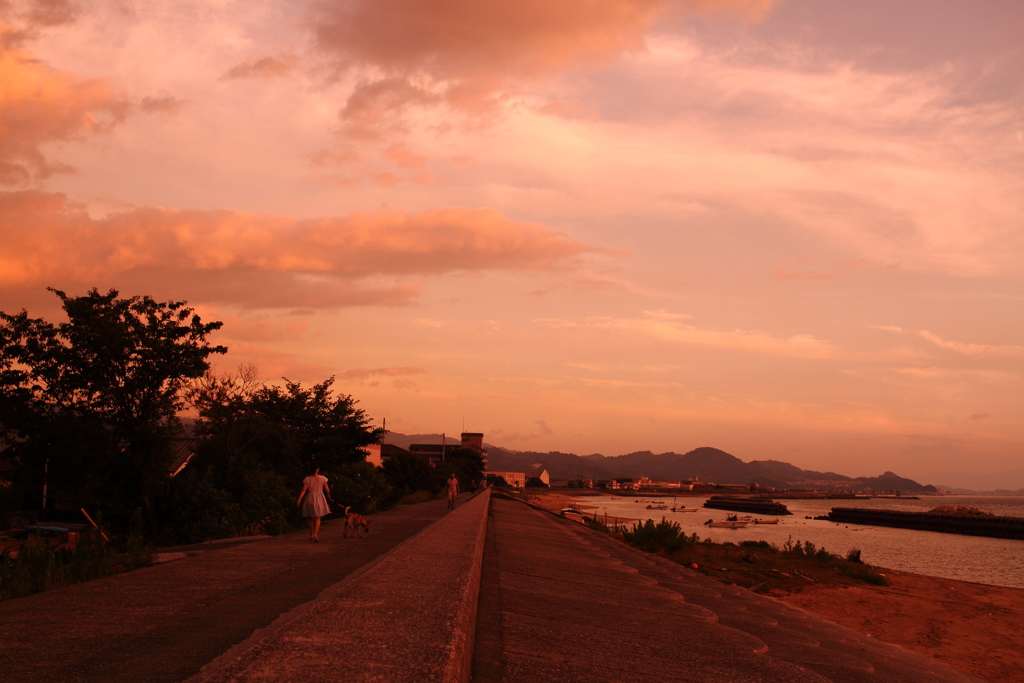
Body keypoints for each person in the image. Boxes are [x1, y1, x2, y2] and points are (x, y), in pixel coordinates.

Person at [297, 462, 332, 542]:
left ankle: (311, 535)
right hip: (319, 498)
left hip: (310, 497)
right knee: (317, 518)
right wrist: (328, 495)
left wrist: (299, 499)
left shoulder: (307, 479)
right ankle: (315, 535)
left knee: (310, 518)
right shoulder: (322, 478)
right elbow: (327, 489)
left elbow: (303, 490)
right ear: (317, 469)